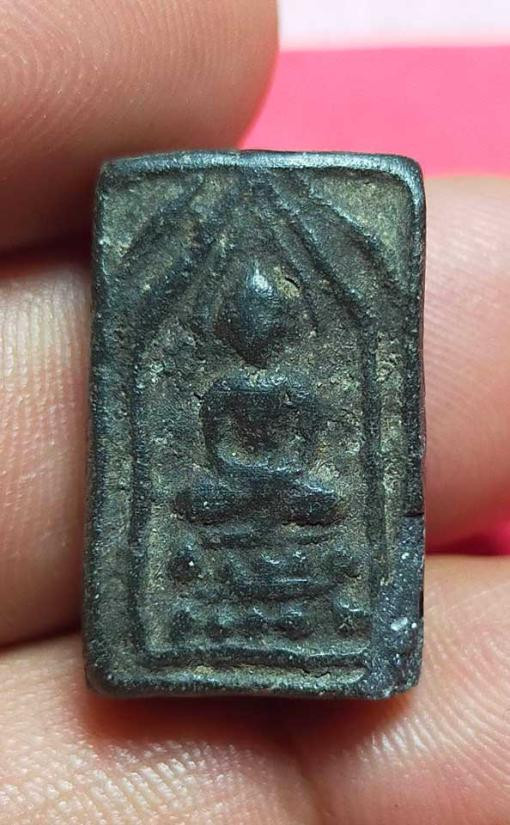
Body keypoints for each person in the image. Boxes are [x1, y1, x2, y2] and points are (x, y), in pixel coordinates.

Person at [0, 2, 508, 822]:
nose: (257, 327)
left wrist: (277, 485)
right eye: (246, 317)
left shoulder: (299, 391)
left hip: (286, 505)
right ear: (229, 324)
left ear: (290, 322)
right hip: (231, 505)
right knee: (205, 500)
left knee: (320, 500)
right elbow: (219, 462)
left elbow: (301, 463)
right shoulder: (220, 391)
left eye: (270, 316)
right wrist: (246, 484)